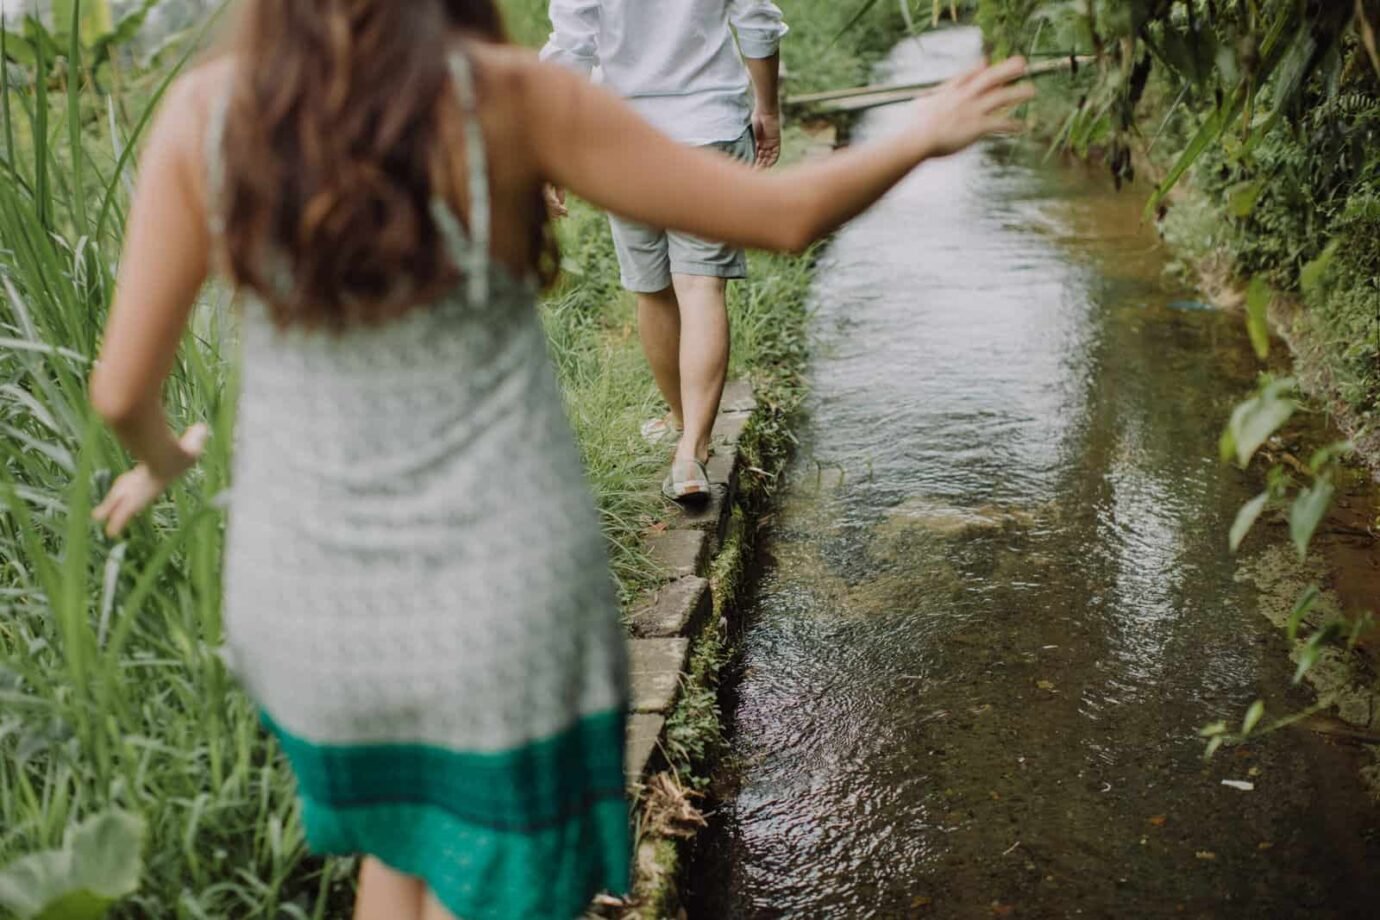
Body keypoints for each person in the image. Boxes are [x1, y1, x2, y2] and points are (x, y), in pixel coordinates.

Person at [87, 0, 1034, 915]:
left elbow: (121, 392)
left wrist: (166, 458)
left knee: (397, 846)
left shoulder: (206, 115)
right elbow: (780, 217)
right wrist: (919, 133)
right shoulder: (499, 99)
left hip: (311, 616)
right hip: (491, 613)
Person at [541, 0, 787, 502]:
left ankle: (681, 425)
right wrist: (768, 108)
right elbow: (757, 20)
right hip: (709, 125)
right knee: (699, 287)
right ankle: (692, 450)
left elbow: (571, 47)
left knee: (652, 290)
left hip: (622, 135)